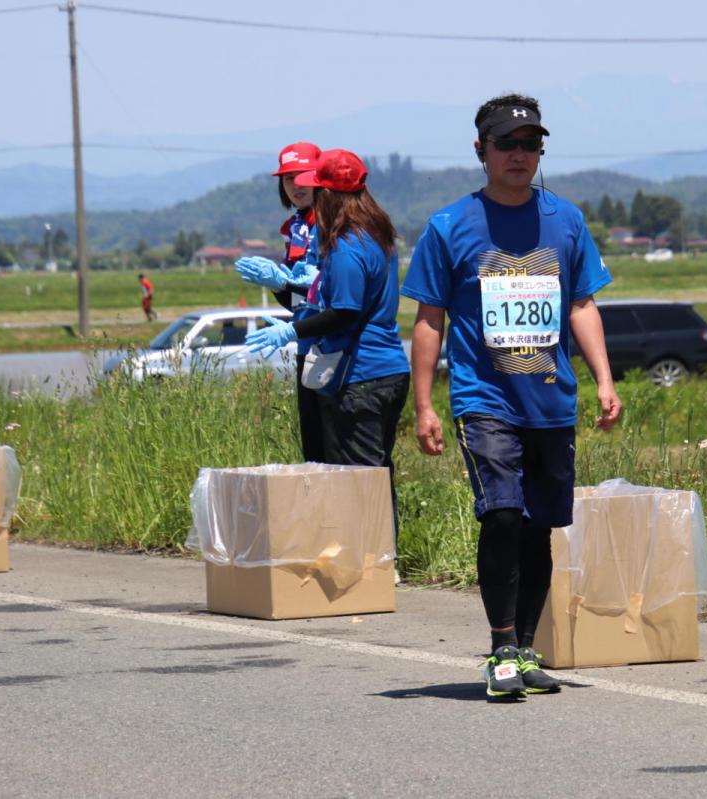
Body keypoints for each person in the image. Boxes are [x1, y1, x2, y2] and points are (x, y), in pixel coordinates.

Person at [401, 93, 622, 700]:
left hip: (550, 399)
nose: (520, 155)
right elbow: (429, 319)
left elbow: (581, 303)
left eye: (531, 144)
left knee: (538, 527)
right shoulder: (450, 227)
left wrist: (603, 378)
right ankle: (500, 649)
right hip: (483, 397)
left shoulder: (567, 221)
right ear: (482, 151)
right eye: (508, 144)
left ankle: (526, 649)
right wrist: (424, 405)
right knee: (501, 514)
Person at [245, 149, 409, 547]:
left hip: (360, 374)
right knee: (371, 471)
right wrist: (290, 285)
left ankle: (373, 560)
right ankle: (376, 557)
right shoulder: (376, 234)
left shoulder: (347, 245)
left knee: (356, 477)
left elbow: (345, 312)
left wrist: (291, 331)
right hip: (384, 368)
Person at [236, 141, 326, 462]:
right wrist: (278, 284)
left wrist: (299, 284)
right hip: (307, 344)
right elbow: (297, 302)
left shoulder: (333, 221)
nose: (295, 185)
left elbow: (336, 297)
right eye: (288, 178)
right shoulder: (295, 228)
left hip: (336, 346)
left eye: (302, 175)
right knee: (314, 452)